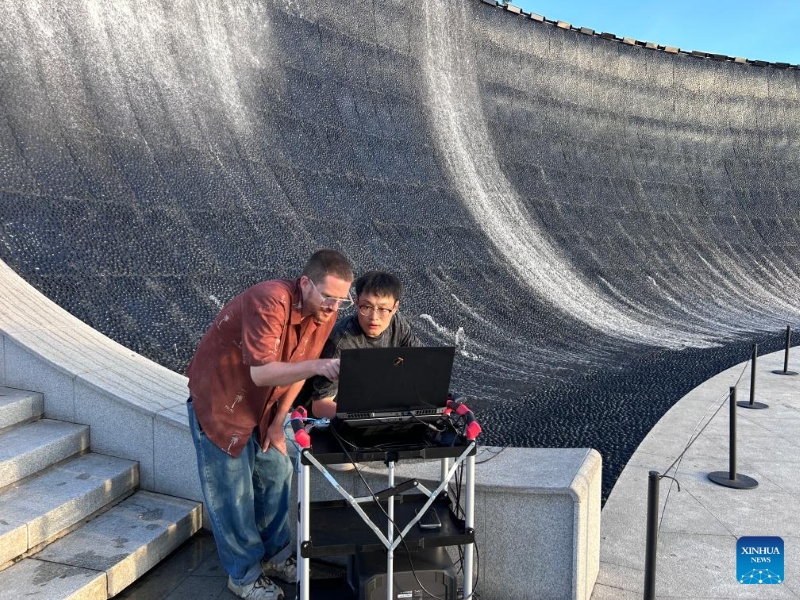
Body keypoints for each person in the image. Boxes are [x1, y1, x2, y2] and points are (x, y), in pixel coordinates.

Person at [185, 249, 354, 600]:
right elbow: (262, 372)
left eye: (342, 301)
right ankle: (243, 575)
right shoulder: (270, 299)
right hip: (222, 402)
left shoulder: (322, 314)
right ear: (305, 283)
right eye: (328, 297)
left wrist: (279, 422)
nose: (333, 308)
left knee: (278, 471)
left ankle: (276, 557)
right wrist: (319, 368)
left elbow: (300, 367)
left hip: (263, 407)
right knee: (232, 494)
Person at [309, 270, 420, 419]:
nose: (374, 317)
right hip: (346, 415)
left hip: (381, 401)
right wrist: (369, 417)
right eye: (366, 307)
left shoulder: (397, 323)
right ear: (356, 302)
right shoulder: (342, 340)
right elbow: (319, 406)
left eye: (383, 309)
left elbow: (420, 362)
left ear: (395, 308)